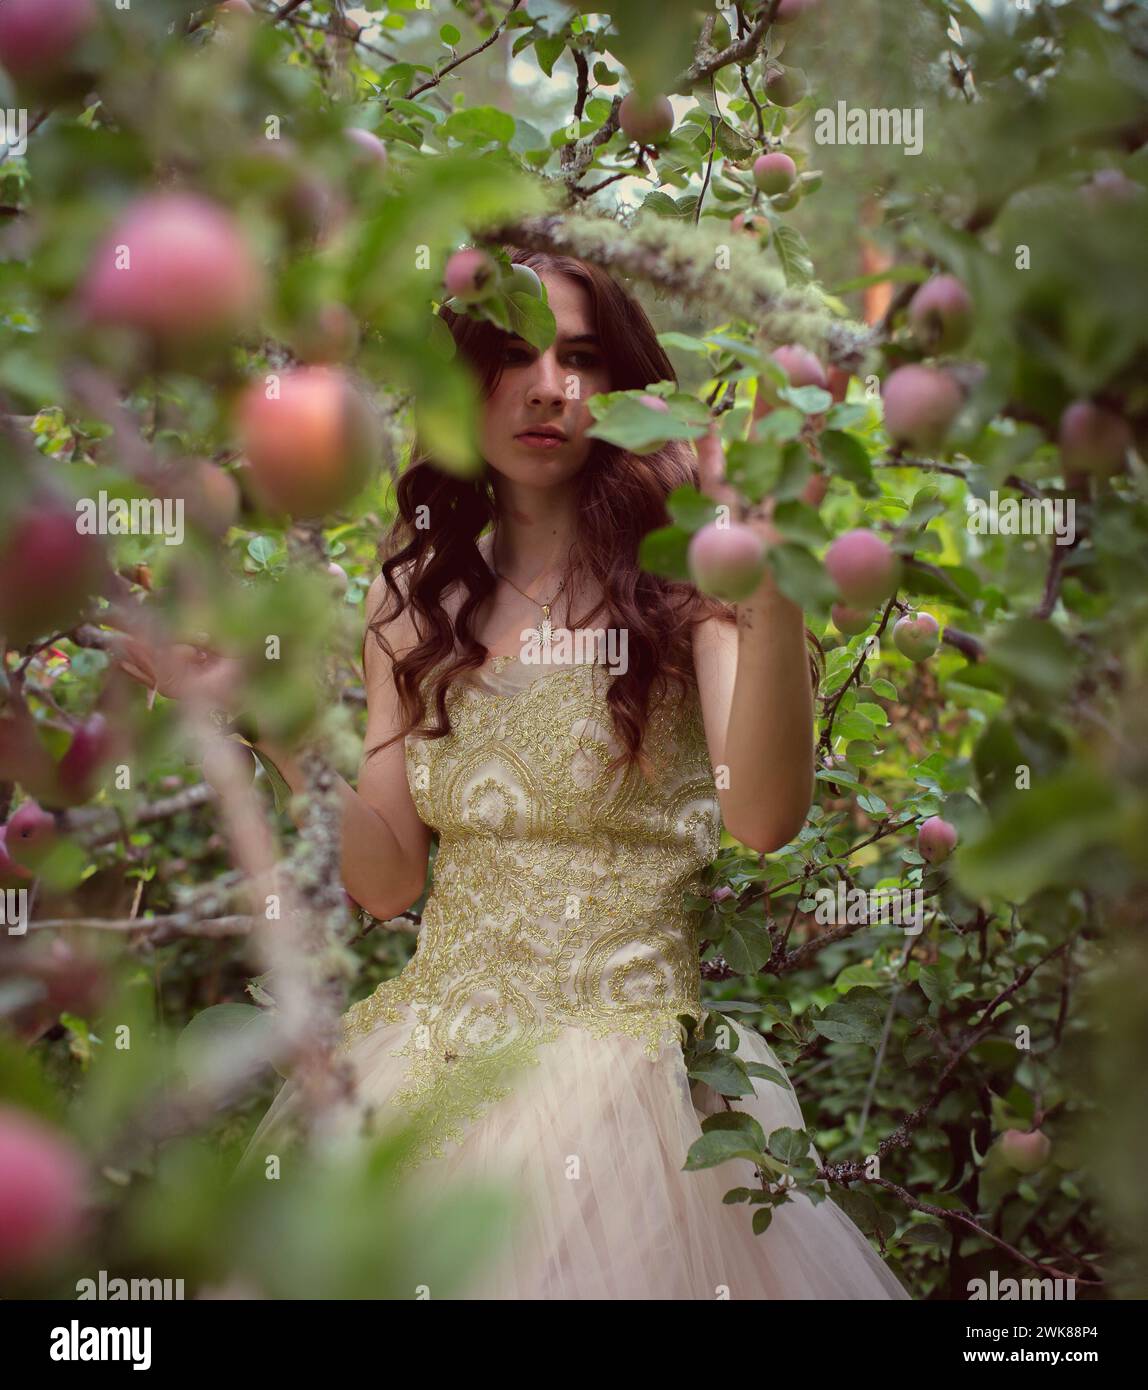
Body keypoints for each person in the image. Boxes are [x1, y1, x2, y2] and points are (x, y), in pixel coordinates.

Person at [119, 249, 910, 1300]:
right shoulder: (413, 599)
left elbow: (762, 816)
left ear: (625, 391)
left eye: (580, 356)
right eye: (508, 353)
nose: (547, 384)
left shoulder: (690, 582)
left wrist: (771, 578)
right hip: (429, 1068)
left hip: (625, 1087)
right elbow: (390, 878)